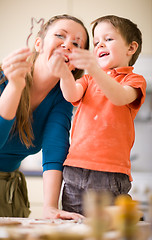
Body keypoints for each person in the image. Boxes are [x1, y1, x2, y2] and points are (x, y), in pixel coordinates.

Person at [51, 15, 147, 215]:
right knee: (73, 228)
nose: (100, 44)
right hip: (75, 170)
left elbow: (119, 97)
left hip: (110, 174)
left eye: (108, 39)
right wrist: (64, 74)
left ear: (131, 48)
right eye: (95, 42)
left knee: (108, 232)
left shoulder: (134, 80)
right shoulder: (88, 79)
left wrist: (94, 69)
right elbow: (71, 94)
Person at [0, 14, 89, 219]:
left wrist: (50, 206)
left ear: (75, 63)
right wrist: (15, 87)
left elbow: (54, 150)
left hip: (9, 192)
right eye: (60, 35)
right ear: (39, 44)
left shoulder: (62, 98)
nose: (68, 45)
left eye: (76, 43)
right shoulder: (4, 76)